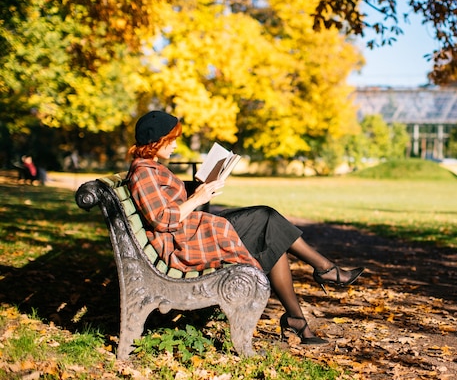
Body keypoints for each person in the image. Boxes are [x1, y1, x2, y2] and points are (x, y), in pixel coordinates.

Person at [127, 111, 364, 345]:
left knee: (272, 235)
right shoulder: (143, 173)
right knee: (266, 217)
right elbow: (161, 219)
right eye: (172, 139)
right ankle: (325, 271)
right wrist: (197, 198)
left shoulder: (151, 167)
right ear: (155, 140)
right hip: (184, 244)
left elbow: (168, 201)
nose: (176, 145)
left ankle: (297, 318)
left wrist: (200, 185)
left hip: (193, 230)